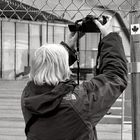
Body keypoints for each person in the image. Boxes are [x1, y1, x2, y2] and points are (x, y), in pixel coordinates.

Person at [21, 15, 128, 140]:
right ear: (64, 68)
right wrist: (110, 37)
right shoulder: (80, 101)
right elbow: (115, 76)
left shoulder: (27, 96)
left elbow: (48, 69)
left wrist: (66, 48)